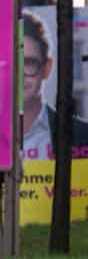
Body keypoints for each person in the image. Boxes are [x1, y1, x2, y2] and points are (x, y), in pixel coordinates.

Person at [20, 11, 88, 161]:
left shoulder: (83, 135)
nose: (20, 74)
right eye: (13, 63)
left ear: (47, 68)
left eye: (29, 63)